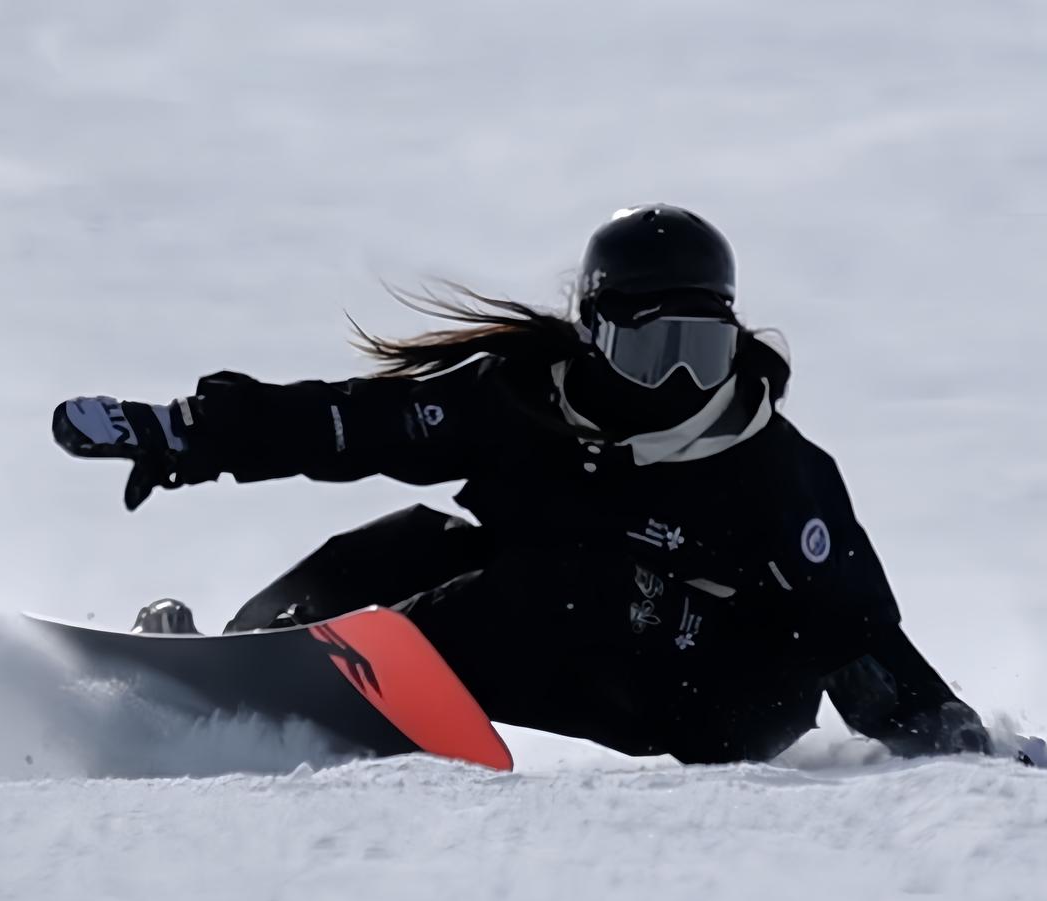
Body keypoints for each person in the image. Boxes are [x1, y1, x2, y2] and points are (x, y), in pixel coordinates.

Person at [52, 203, 998, 765]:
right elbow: (351, 421)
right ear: (593, 331)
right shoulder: (521, 401)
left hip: (723, 694)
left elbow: (854, 631)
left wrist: (944, 734)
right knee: (407, 540)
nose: (678, 382)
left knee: (565, 577)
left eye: (702, 350)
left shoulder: (770, 466)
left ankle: (354, 681)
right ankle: (235, 668)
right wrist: (187, 434)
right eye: (650, 347)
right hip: (565, 641)